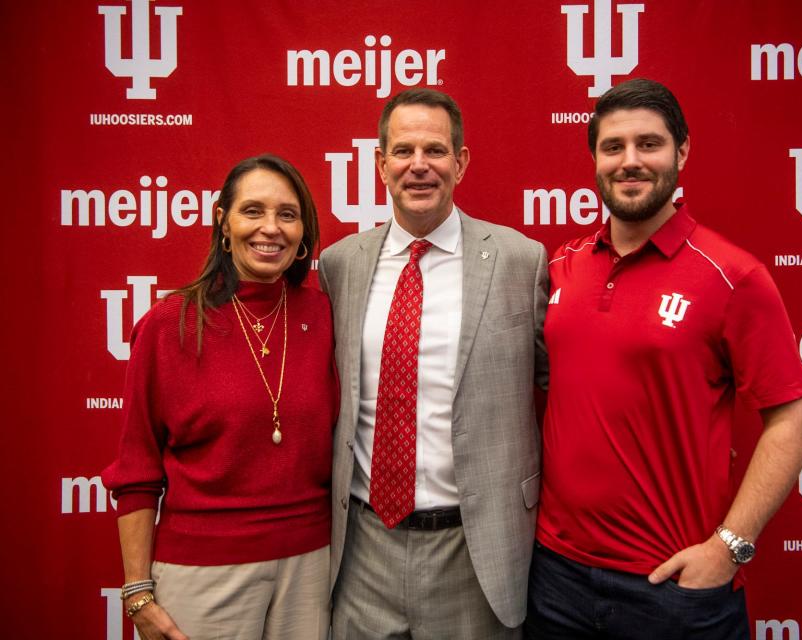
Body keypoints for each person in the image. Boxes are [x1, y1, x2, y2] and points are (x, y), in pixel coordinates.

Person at [526, 78, 802, 639]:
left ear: (682, 151)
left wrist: (729, 549)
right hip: (554, 578)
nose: (630, 161)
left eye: (649, 144)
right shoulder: (563, 263)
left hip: (672, 593)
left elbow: (794, 426)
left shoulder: (734, 276)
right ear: (594, 159)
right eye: (613, 147)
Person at [319, 88, 548, 638]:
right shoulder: (339, 266)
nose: (418, 165)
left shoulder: (521, 260)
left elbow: (564, 386)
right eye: (402, 151)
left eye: (436, 151)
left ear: (460, 162)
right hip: (363, 552)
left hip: (475, 551)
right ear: (380, 164)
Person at [102, 154, 338, 640]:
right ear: (223, 224)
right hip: (204, 573)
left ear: (304, 234)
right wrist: (137, 590)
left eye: (287, 214)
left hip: (311, 568)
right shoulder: (171, 324)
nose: (270, 228)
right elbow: (137, 470)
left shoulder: (325, 315)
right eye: (252, 211)